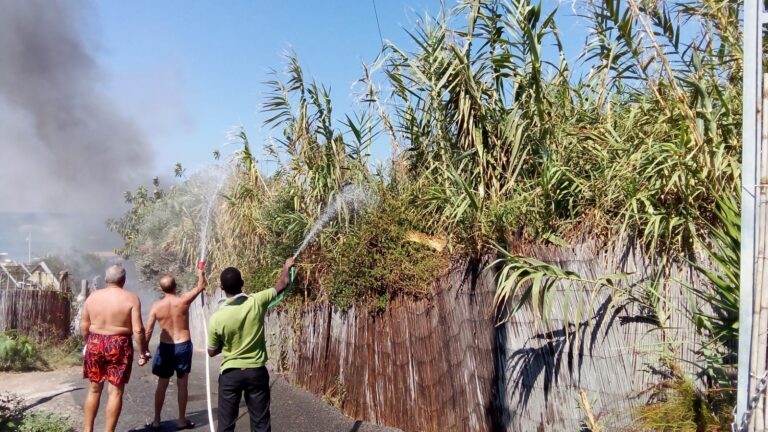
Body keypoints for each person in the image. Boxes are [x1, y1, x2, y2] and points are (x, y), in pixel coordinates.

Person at [207, 258, 294, 432]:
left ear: (221, 287)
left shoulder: (217, 318)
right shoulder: (256, 301)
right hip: (256, 372)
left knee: (226, 425)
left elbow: (211, 351)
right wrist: (286, 266)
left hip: (230, 375)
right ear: (243, 283)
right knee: (261, 424)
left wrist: (226, 343)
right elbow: (282, 284)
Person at [80, 264, 151, 432]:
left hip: (95, 342)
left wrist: (88, 342)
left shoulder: (93, 297)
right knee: (115, 391)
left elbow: (84, 325)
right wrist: (143, 352)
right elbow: (138, 330)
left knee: (94, 388)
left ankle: (87, 429)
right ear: (123, 280)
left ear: (106, 279)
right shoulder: (131, 298)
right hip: (119, 343)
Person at [144, 266, 207, 430]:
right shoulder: (183, 300)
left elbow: (148, 329)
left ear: (161, 289)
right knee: (182, 384)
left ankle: (156, 420)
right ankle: (181, 420)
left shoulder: (156, 306)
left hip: (166, 347)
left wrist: (144, 351)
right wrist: (200, 272)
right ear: (175, 286)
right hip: (183, 345)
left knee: (162, 384)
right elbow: (201, 286)